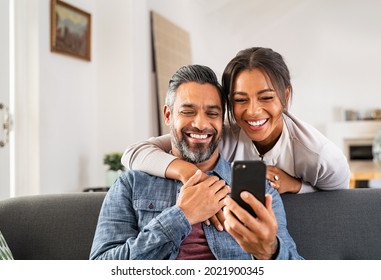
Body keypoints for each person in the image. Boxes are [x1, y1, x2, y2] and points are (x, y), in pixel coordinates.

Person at [90, 64, 303, 260]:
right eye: (188, 112)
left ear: (222, 121)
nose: (201, 124)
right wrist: (181, 216)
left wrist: (270, 251)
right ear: (168, 115)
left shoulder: (261, 190)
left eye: (212, 113)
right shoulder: (131, 185)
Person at [122, 47, 350, 195]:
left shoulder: (318, 154)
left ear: (286, 96)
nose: (253, 112)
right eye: (241, 99)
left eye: (266, 97)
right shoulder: (223, 135)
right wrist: (188, 172)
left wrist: (295, 186)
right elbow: (134, 152)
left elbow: (340, 201)